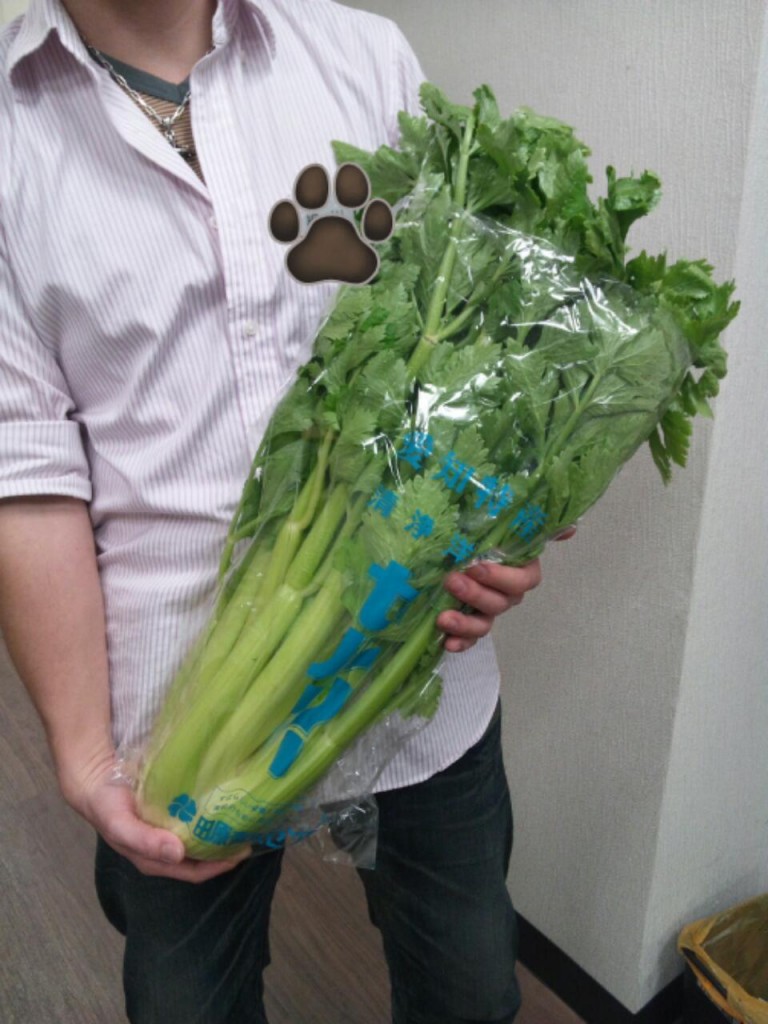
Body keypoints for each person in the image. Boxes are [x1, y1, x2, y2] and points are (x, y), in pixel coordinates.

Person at [0, 1, 563, 1021]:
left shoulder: (361, 54)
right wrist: (83, 760)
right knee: (185, 1003)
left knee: (472, 986)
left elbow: (479, 362)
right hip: (173, 709)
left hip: (414, 668)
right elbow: (24, 473)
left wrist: (517, 521)